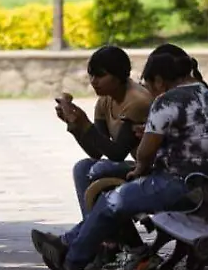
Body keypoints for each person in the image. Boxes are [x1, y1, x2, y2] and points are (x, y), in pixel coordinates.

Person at [32, 49, 208, 270]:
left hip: (180, 185)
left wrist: (140, 169)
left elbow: (144, 153)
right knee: (110, 193)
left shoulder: (166, 101)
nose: (150, 92)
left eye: (150, 86)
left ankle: (71, 261)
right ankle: (69, 246)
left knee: (113, 201)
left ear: (159, 80)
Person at [59, 46, 154, 218]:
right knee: (82, 167)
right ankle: (94, 227)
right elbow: (96, 151)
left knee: (100, 169)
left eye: (100, 76)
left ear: (118, 76)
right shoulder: (105, 100)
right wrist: (75, 126)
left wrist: (85, 123)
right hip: (134, 166)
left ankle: (94, 228)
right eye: (91, 75)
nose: (93, 81)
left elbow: (117, 153)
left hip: (151, 168)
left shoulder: (137, 101)